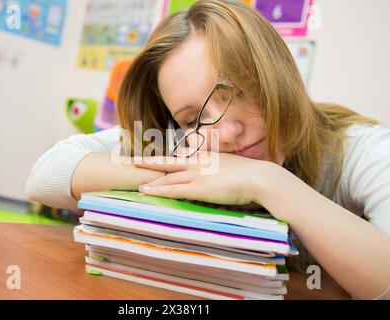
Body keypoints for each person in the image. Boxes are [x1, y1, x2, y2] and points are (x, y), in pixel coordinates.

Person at [25, 0, 390, 299]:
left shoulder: (359, 149)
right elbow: (46, 175)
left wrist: (268, 182)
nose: (227, 132)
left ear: (277, 73)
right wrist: (192, 176)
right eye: (191, 119)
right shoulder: (186, 145)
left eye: (240, 90)